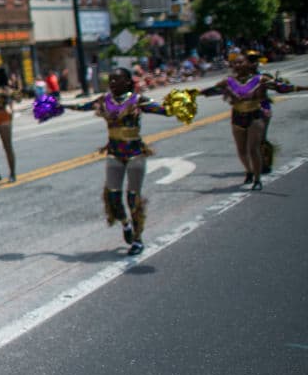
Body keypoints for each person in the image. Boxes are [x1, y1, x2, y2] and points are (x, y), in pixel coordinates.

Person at [63, 68, 172, 255]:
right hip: (114, 153)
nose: (112, 83)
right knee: (113, 197)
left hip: (135, 153)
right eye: (111, 80)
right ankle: (125, 224)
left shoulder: (138, 101)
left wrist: (177, 106)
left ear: (128, 82)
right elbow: (82, 106)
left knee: (133, 198)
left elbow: (163, 110)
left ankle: (137, 239)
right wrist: (60, 105)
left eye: (117, 80)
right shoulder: (104, 101)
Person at [198, 52, 305, 190]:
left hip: (255, 115)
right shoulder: (228, 81)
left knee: (253, 148)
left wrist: (303, 88)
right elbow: (211, 91)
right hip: (237, 116)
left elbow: (282, 87)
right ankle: (249, 171)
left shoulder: (260, 79)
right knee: (241, 150)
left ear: (247, 63)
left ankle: (257, 179)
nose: (238, 65)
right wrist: (191, 94)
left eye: (241, 62)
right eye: (235, 63)